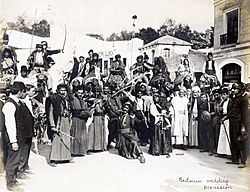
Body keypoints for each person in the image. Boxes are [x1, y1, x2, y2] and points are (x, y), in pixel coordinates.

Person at [2, 81, 31, 191]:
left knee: (16, 159)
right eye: (24, 92)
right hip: (14, 137)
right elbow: (10, 124)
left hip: (20, 136)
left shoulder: (19, 102)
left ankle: (13, 180)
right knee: (13, 160)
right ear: (19, 92)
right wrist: (13, 141)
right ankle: (11, 184)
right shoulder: (10, 104)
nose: (25, 94)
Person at [46, 84, 72, 167]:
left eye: (64, 90)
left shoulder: (67, 99)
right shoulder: (54, 99)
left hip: (66, 120)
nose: (63, 92)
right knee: (57, 139)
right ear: (58, 90)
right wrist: (52, 125)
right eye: (61, 90)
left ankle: (65, 157)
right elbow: (50, 112)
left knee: (65, 138)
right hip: (58, 121)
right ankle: (54, 158)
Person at [226, 82, 248, 168]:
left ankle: (243, 161)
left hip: (239, 122)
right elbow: (231, 111)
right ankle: (234, 159)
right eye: (233, 89)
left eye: (235, 89)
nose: (233, 90)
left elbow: (245, 114)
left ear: (240, 89)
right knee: (233, 140)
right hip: (232, 121)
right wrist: (225, 118)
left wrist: (243, 126)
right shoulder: (234, 98)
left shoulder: (244, 99)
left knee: (240, 141)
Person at [149, 92, 173, 157]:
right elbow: (153, 113)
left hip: (163, 121)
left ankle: (165, 150)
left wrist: (167, 114)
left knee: (164, 135)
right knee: (157, 135)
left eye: (157, 97)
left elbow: (170, 111)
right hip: (157, 121)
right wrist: (160, 114)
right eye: (154, 97)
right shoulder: (153, 105)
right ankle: (157, 150)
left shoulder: (164, 104)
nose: (156, 98)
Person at [70, 86, 90, 156]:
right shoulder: (73, 99)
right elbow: (74, 110)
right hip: (76, 119)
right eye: (79, 93)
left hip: (82, 120)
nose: (80, 94)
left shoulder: (83, 100)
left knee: (82, 135)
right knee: (76, 135)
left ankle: (82, 151)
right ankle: (75, 151)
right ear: (75, 92)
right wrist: (83, 113)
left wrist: (87, 113)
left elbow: (86, 109)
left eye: (81, 93)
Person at [87, 87, 107, 152]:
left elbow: (104, 108)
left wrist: (104, 103)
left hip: (101, 117)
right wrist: (93, 105)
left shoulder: (103, 99)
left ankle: (100, 147)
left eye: (99, 92)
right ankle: (94, 147)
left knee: (100, 131)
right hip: (95, 117)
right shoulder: (92, 99)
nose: (98, 93)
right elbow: (89, 107)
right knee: (94, 132)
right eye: (97, 92)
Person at [217, 87, 231, 156]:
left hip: (228, 119)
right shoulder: (223, 102)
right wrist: (220, 110)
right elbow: (220, 112)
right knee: (222, 135)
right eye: (222, 95)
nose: (223, 96)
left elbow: (231, 112)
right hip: (222, 119)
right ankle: (222, 152)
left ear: (228, 94)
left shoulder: (230, 101)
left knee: (227, 135)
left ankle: (228, 153)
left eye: (224, 94)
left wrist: (225, 117)